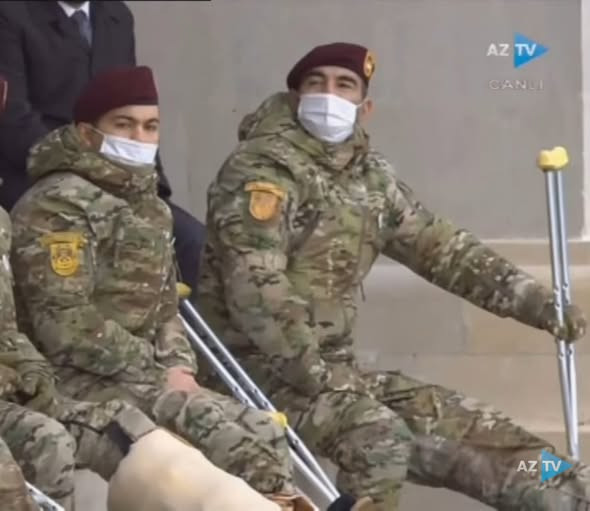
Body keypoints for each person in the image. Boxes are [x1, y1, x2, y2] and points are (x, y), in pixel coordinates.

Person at [195, 42, 590, 511]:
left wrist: (539, 304)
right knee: (378, 437)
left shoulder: (370, 179)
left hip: (337, 376)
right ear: (296, 97)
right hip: (253, 375)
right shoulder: (261, 170)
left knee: (496, 442)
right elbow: (256, 289)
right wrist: (319, 375)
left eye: (344, 85)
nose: (329, 94)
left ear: (365, 107)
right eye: (316, 83)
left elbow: (445, 250)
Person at [8, 64, 370, 511]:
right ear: (87, 134)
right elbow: (66, 326)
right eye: (123, 125)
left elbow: (167, 311)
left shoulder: (151, 208)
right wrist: (155, 370)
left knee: (263, 430)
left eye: (150, 127)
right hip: (78, 379)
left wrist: (179, 366)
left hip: (143, 375)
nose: (139, 137)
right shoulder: (58, 205)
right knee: (220, 434)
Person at [0, 0, 205, 292]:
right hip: (39, 181)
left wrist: (154, 186)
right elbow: (13, 119)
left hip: (120, 183)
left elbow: (136, 106)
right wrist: (87, 171)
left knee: (193, 245)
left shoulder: (116, 15)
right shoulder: (11, 14)